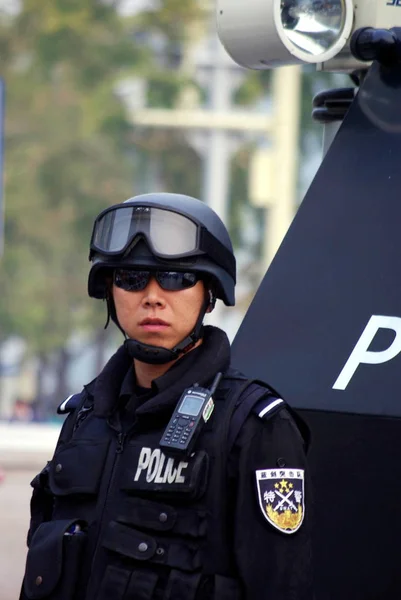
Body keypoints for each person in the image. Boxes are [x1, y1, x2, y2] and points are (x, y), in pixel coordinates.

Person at [19, 193, 313, 600]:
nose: (152, 296)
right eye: (132, 278)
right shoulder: (84, 417)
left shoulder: (253, 426)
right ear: (110, 291)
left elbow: (281, 586)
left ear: (209, 292)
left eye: (176, 278)